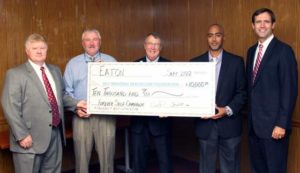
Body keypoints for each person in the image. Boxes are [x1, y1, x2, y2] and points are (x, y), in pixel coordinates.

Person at [1, 33, 86, 173]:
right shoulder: (15, 74)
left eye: (42, 48)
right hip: (29, 138)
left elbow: (61, 96)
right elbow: (10, 107)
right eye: (35, 48)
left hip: (55, 135)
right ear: (27, 51)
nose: (39, 51)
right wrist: (21, 135)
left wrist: (77, 104)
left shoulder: (55, 70)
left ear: (47, 50)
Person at [246, 8, 298, 173]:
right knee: (257, 169)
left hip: (274, 129)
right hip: (254, 127)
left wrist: (281, 124)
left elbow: (289, 90)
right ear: (253, 26)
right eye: (258, 22)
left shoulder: (284, 51)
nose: (262, 25)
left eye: (266, 21)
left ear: (273, 25)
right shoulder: (251, 51)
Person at [190, 24, 247, 173]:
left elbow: (242, 93)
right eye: (210, 35)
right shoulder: (195, 63)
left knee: (230, 169)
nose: (214, 39)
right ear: (207, 39)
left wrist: (226, 110)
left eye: (217, 35)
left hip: (230, 125)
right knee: (206, 169)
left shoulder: (236, 62)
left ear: (223, 37)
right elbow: (189, 93)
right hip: (205, 126)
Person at [64, 29, 116, 173]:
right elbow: (66, 93)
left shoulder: (111, 61)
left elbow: (119, 89)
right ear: (83, 43)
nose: (92, 43)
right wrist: (76, 108)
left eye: (95, 39)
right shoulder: (73, 64)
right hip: (81, 117)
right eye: (88, 40)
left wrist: (105, 74)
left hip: (106, 117)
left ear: (100, 42)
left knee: (108, 161)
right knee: (81, 162)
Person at [130, 32, 173, 173]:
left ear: (161, 47)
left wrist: (169, 107)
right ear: (144, 46)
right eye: (150, 43)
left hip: (161, 123)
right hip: (139, 124)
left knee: (165, 161)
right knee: (138, 163)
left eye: (156, 44)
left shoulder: (171, 67)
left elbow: (175, 93)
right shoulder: (133, 66)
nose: (153, 47)